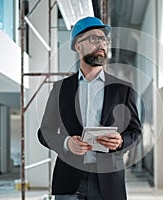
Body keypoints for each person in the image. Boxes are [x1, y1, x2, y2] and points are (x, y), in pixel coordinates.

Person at [37, 16, 142, 200]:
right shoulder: (61, 89)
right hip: (68, 180)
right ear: (78, 46)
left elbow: (135, 131)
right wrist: (66, 143)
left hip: (108, 182)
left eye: (104, 40)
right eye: (94, 38)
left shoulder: (122, 89)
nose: (101, 43)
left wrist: (120, 141)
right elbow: (45, 132)